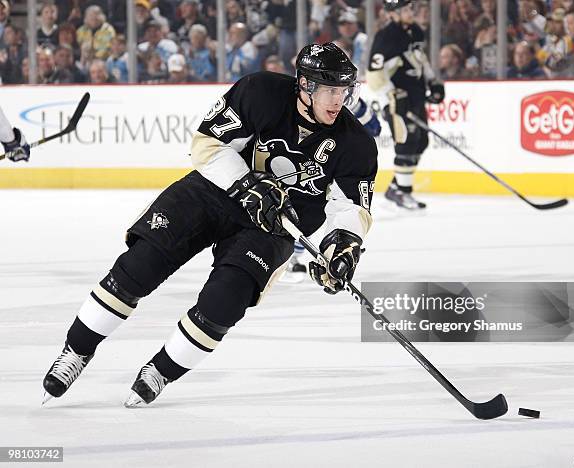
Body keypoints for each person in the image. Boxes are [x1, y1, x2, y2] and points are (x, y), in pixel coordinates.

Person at [41, 42, 378, 407]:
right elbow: (207, 145)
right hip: (215, 192)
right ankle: (77, 350)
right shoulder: (260, 91)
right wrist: (248, 184)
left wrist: (341, 248)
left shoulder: (356, 143)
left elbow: (350, 210)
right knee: (138, 267)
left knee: (224, 302)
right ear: (305, 86)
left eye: (344, 90)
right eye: (330, 90)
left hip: (274, 227)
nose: (338, 100)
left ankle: (160, 371)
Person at [366, 0, 445, 210]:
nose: (411, 12)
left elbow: (421, 60)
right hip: (396, 103)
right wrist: (392, 95)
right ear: (392, 14)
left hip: (416, 97)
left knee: (421, 142)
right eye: (405, 9)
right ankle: (404, 193)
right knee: (406, 143)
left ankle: (396, 187)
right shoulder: (385, 37)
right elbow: (373, 74)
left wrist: (434, 82)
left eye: (411, 8)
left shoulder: (416, 31)